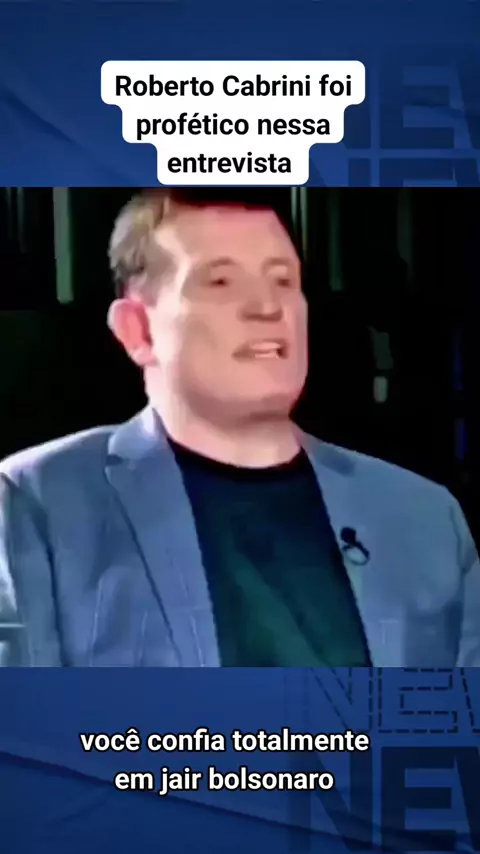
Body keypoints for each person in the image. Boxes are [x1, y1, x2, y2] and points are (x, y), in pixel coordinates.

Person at [1, 188, 479, 667]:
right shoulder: (38, 503)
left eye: (283, 280)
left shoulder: (425, 515)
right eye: (221, 282)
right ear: (138, 331)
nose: (268, 307)